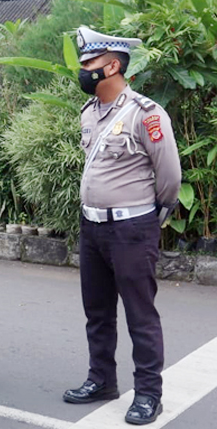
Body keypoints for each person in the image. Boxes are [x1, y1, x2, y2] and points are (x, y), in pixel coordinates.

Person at [63, 27, 181, 425]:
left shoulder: (146, 114)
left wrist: (150, 218)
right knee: (97, 312)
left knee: (140, 315)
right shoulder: (89, 113)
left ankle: (149, 394)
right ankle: (102, 380)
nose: (83, 70)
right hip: (92, 227)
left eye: (89, 64)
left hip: (132, 229)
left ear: (113, 66)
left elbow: (169, 177)